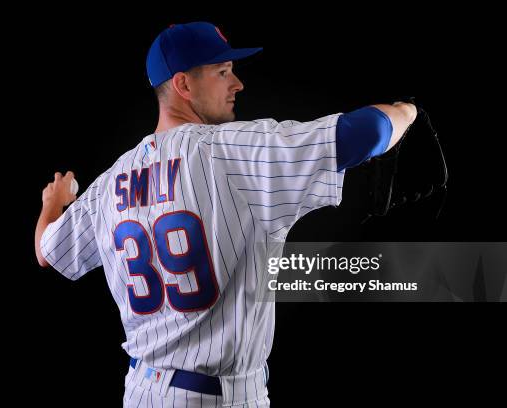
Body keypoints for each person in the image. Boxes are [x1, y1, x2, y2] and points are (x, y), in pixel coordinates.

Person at [34, 21, 416, 407]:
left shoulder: (110, 181)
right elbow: (367, 131)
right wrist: (408, 111)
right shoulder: (231, 151)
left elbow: (47, 252)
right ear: (183, 85)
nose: (237, 84)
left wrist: (54, 201)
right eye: (223, 72)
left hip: (140, 390)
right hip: (216, 397)